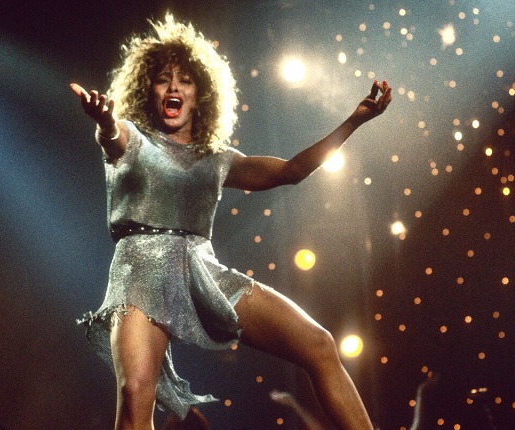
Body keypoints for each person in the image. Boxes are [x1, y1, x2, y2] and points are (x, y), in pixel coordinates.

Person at [72, 13, 391, 430]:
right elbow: (112, 136)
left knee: (318, 343)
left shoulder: (218, 158)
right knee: (134, 393)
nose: (173, 87)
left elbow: (291, 171)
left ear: (200, 95)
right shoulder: (132, 137)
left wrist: (354, 120)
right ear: (147, 90)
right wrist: (104, 121)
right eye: (163, 80)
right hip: (139, 271)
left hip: (202, 270)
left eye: (184, 81)